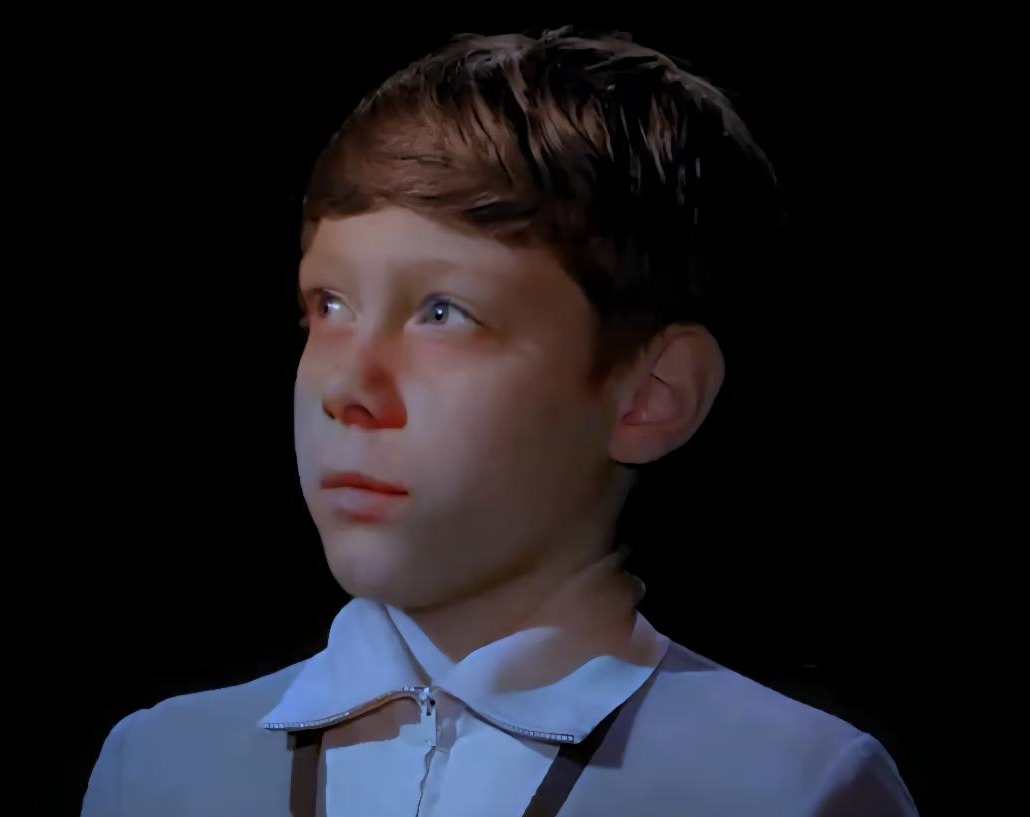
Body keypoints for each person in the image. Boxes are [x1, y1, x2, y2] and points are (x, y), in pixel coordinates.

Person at [82, 26, 919, 816]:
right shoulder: (158, 767)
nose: (347, 388)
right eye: (329, 304)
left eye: (444, 312)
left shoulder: (786, 787)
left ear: (650, 394)